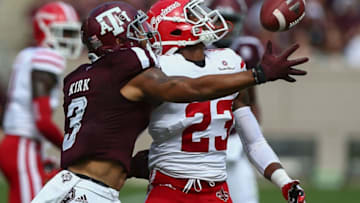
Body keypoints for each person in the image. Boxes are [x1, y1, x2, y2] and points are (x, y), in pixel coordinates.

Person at [32, 1, 307, 202]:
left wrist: (154, 161)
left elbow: (109, 135)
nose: (144, 35)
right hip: (138, 189)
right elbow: (186, 88)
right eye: (136, 30)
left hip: (211, 189)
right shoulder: (148, 70)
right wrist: (257, 74)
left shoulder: (87, 76)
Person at [144, 0, 307, 202]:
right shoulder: (159, 68)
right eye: (193, 15)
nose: (206, 17)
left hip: (216, 190)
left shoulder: (229, 60)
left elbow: (253, 140)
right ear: (174, 27)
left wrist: (285, 181)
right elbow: (195, 87)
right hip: (169, 187)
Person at [0, 2, 82, 203]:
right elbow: (42, 122)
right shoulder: (46, 58)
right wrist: (70, 149)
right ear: (45, 30)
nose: (69, 40)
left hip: (18, 144)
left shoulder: (28, 55)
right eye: (64, 32)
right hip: (23, 145)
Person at [208, 0, 263, 202]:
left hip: (234, 140)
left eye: (231, 21)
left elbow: (252, 99)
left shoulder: (249, 49)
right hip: (200, 148)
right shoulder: (196, 50)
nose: (226, 28)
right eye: (221, 21)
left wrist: (253, 137)